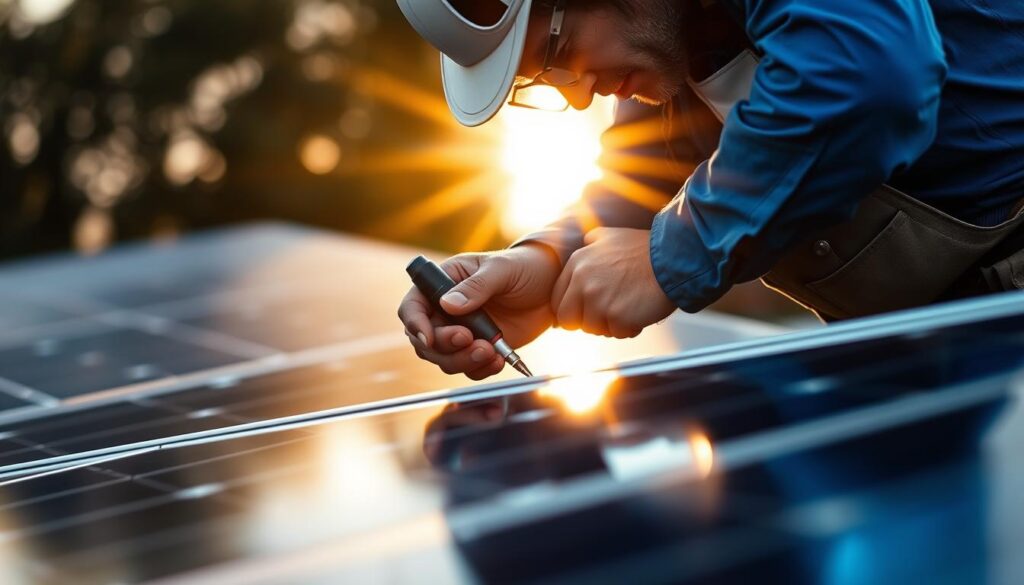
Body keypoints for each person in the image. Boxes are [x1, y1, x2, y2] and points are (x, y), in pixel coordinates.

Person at [395, 0, 1024, 379]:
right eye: (540, 77)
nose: (578, 92)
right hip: (942, 351)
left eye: (554, 48)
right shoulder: (678, 34)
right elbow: (646, 172)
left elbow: (870, 74)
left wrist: (674, 257)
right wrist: (546, 263)